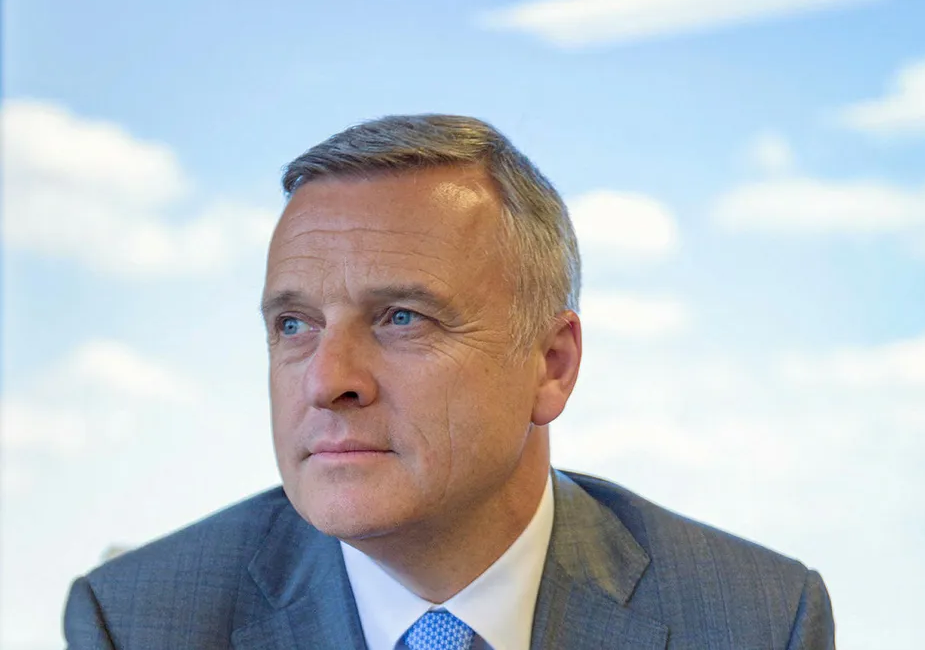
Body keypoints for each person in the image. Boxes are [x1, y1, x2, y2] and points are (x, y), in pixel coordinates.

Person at [63, 115, 834, 649]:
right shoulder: (137, 622)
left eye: (401, 317)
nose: (327, 381)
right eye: (294, 324)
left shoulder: (757, 620)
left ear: (551, 364)